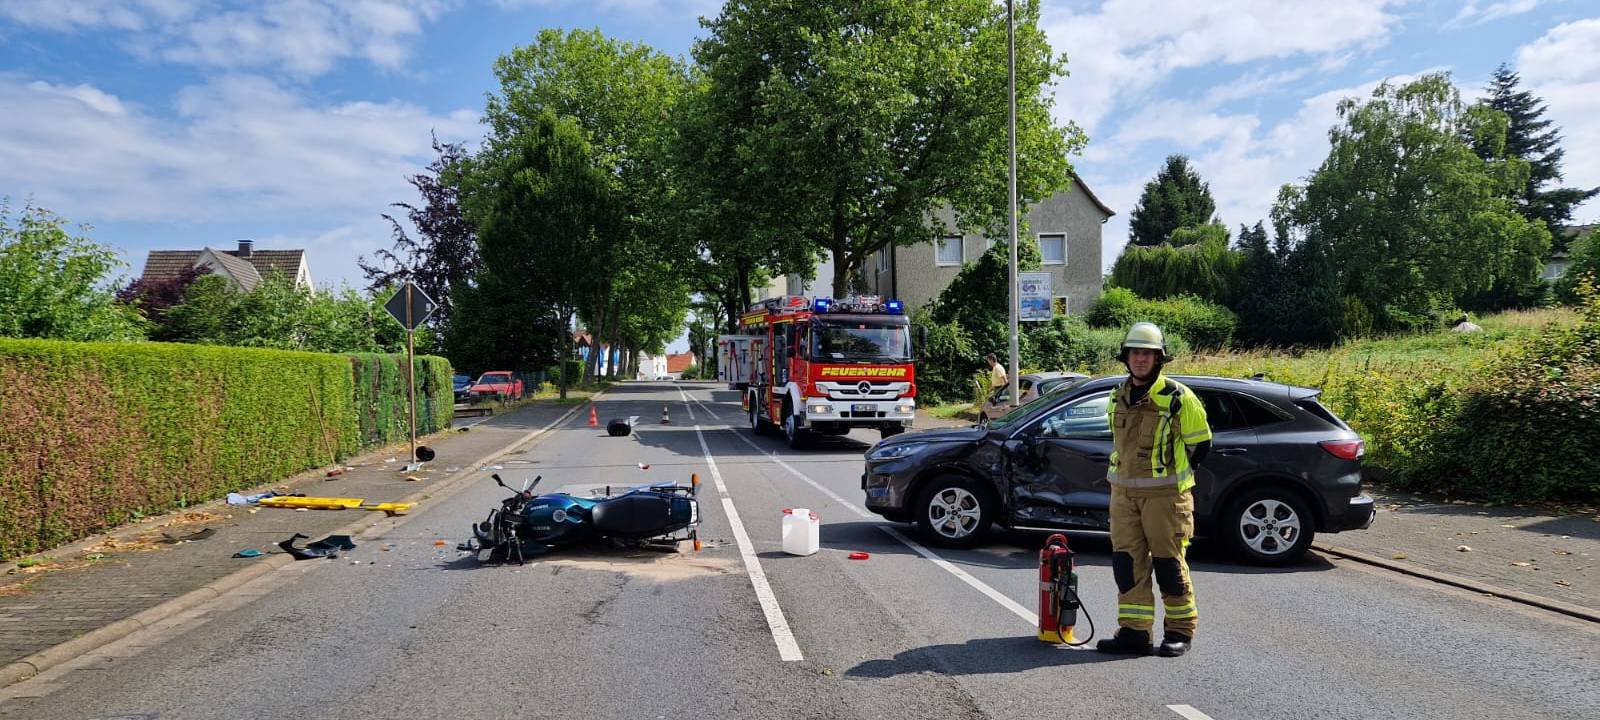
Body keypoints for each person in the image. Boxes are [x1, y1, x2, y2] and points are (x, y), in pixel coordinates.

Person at [1095, 322, 1212, 658]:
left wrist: (1171, 478)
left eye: (1147, 353)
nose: (1140, 359)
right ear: (1126, 357)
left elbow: (1200, 446)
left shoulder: (1178, 398)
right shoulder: (1117, 396)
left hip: (1166, 497)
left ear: (1159, 358)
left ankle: (1179, 631)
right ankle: (1134, 632)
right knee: (1126, 564)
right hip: (1123, 496)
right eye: (1135, 353)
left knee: (1168, 565)